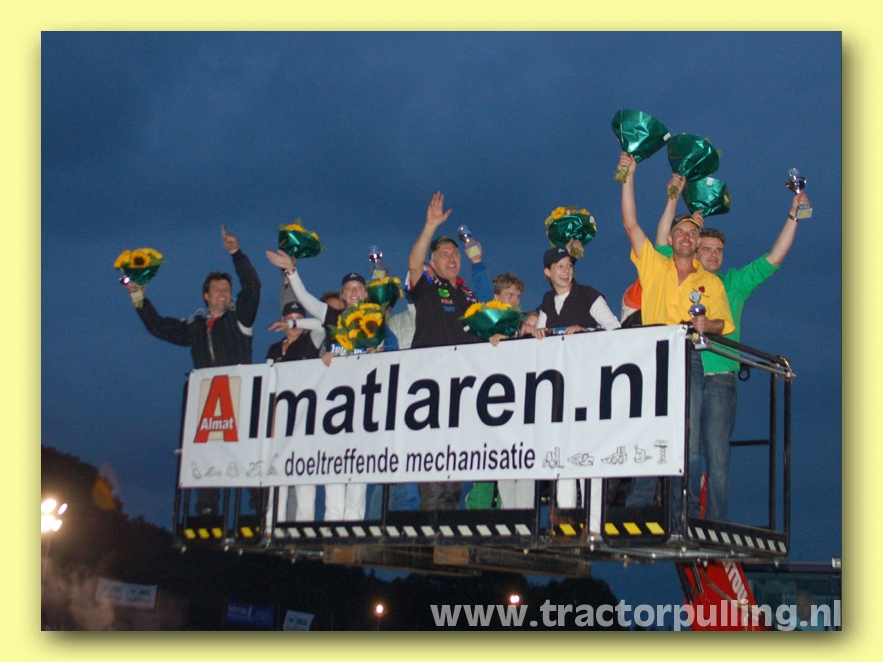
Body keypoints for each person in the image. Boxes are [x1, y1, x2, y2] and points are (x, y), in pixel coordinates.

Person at [650, 180, 810, 520]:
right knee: (686, 447)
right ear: (694, 249)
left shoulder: (734, 282)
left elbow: (774, 258)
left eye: (718, 250)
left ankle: (715, 523)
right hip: (684, 373)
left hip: (721, 377)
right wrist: (674, 197)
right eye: (706, 248)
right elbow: (663, 239)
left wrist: (794, 216)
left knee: (718, 454)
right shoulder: (678, 274)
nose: (712, 254)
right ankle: (685, 516)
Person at [618, 151, 734, 519]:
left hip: (691, 359)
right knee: (648, 429)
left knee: (690, 438)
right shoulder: (653, 264)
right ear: (670, 238)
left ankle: (683, 511)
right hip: (653, 358)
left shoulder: (711, 282)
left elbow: (722, 323)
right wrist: (629, 175)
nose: (686, 236)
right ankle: (639, 505)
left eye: (692, 232)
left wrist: (707, 325)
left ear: (698, 242)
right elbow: (631, 223)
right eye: (680, 231)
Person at [123, 225, 261, 516]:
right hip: (209, 402)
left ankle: (258, 509)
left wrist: (236, 254)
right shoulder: (195, 326)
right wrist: (138, 298)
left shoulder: (240, 317)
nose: (223, 293)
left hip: (240, 397)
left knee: (247, 452)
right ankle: (208, 509)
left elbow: (253, 287)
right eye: (217, 290)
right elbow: (158, 327)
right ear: (205, 296)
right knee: (208, 453)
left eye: (227, 289)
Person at [265, 248, 372, 521]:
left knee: (359, 464)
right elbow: (305, 299)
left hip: (365, 402)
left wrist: (378, 354)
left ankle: (353, 522)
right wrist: (292, 272)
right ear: (342, 295)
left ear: (366, 294)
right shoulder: (332, 317)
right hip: (335, 404)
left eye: (359, 287)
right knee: (334, 462)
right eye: (348, 288)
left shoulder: (377, 319)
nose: (354, 292)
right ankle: (334, 521)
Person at [534, 244, 620, 531]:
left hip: (590, 386)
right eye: (559, 266)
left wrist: (587, 331)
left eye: (569, 265)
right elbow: (540, 336)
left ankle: (594, 525)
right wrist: (538, 333)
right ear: (547, 272)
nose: (566, 270)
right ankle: (566, 526)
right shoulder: (547, 301)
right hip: (560, 390)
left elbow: (614, 327)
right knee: (564, 455)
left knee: (589, 454)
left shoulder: (588, 295)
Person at [407, 191, 483, 510]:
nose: (451, 258)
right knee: (432, 459)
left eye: (455, 254)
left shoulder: (468, 294)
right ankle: (429, 524)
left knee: (456, 462)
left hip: (463, 387)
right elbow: (414, 264)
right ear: (433, 263)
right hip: (432, 386)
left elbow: (484, 327)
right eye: (443, 255)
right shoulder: (427, 287)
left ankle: (447, 521)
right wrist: (430, 226)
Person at [264, 301, 324, 522]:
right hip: (279, 420)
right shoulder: (274, 349)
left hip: (305, 420)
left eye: (298, 319)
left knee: (304, 480)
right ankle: (271, 526)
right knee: (276, 479)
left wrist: (296, 323)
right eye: (289, 319)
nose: (294, 323)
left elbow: (322, 324)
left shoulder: (311, 341)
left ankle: (302, 529)